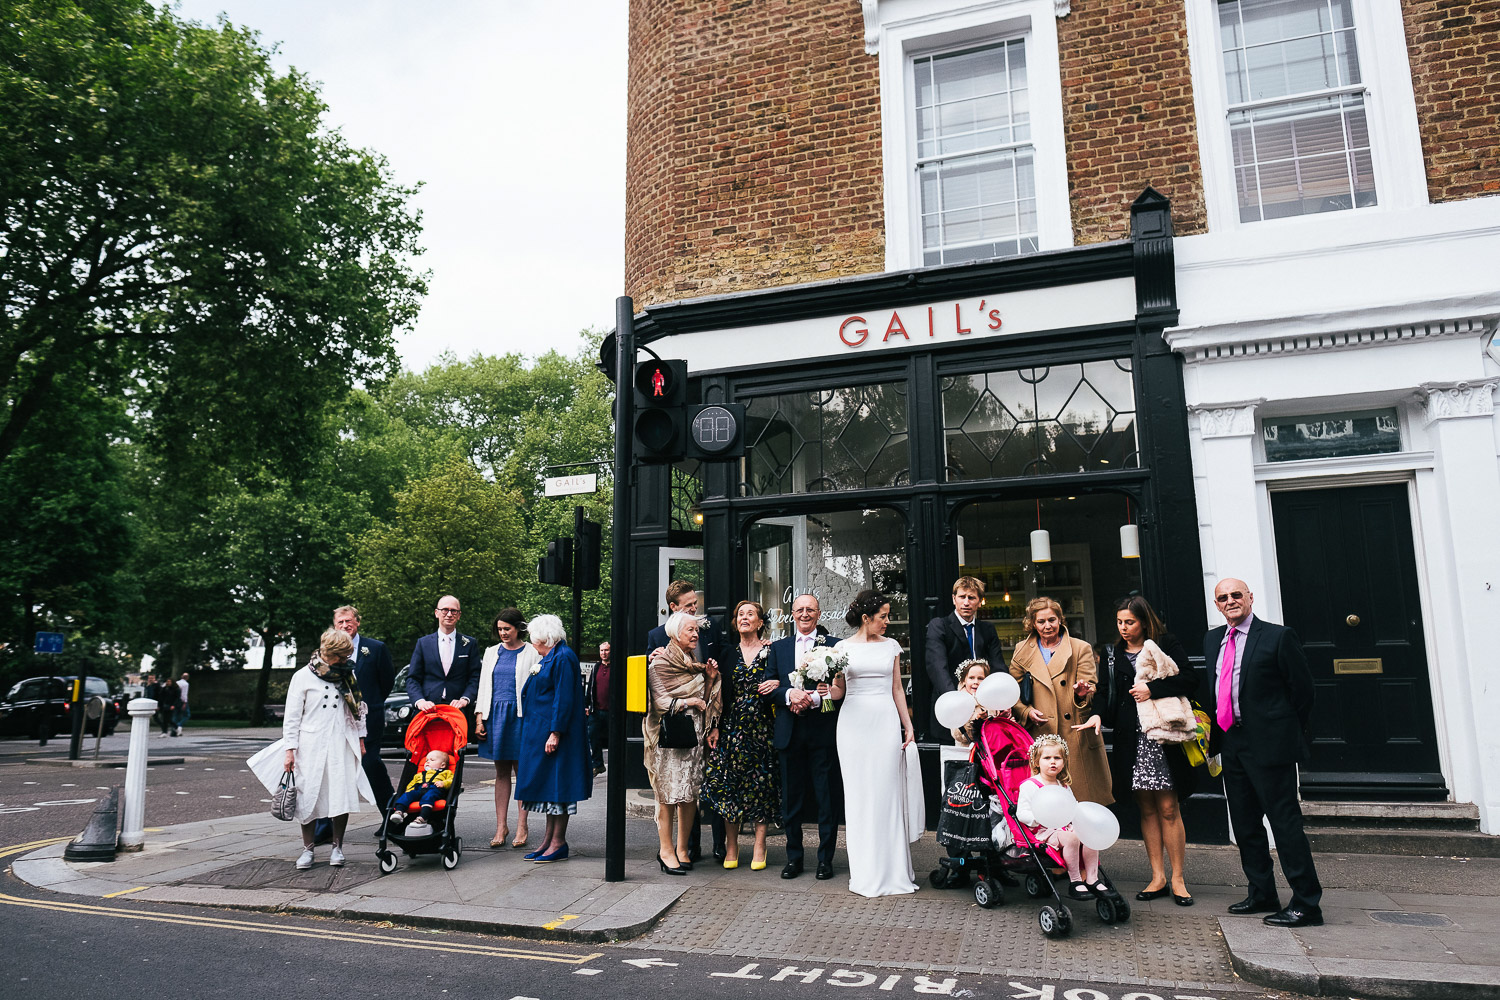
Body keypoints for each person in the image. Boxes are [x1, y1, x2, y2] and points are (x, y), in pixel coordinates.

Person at [1207, 578, 1323, 928]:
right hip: (1232, 742)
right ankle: (1262, 892)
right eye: (1223, 597)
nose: (1230, 601)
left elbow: (1303, 691)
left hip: (1270, 745)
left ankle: (1306, 903)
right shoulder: (1213, 639)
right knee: (1245, 824)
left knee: (1284, 824)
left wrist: (1282, 730)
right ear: (1217, 605)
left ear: (1250, 598)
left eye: (1236, 595)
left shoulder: (1277, 636)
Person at [1086, 595, 1199, 905]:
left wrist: (1153, 689)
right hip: (1130, 742)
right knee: (1146, 809)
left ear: (1144, 621)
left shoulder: (1166, 643)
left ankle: (1178, 878)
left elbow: (1190, 679)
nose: (1124, 628)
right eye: (1120, 622)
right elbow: (1107, 696)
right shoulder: (1112, 654)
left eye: (1130, 622)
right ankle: (1157, 876)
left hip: (1163, 739)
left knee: (1168, 808)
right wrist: (1094, 710)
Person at [247, 629, 374, 870]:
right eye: (343, 656)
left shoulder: (348, 674)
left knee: (341, 795)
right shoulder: (303, 677)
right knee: (308, 797)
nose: (347, 660)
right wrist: (289, 750)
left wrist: (360, 739)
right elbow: (292, 718)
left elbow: (357, 709)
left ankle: (338, 847)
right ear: (329, 654)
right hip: (310, 744)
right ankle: (308, 850)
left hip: (341, 742)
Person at [832, 589, 920, 898]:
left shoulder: (892, 646)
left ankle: (894, 871)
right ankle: (865, 872)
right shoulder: (841, 648)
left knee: (886, 793)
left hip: (884, 722)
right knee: (859, 797)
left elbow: (897, 688)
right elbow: (837, 693)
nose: (888, 621)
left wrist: (907, 727)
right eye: (883, 616)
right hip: (852, 724)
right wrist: (823, 683)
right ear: (866, 618)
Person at [646, 580, 726, 862]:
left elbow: (713, 678)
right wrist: (689, 701)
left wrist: (712, 679)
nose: (696, 611)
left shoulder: (707, 632)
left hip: (700, 730)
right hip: (671, 733)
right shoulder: (659, 646)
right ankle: (675, 849)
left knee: (693, 790)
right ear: (674, 611)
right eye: (689, 606)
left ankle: (694, 848)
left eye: (696, 603)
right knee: (669, 791)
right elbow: (659, 693)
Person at [1007, 597, 1113, 806]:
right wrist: (1026, 712)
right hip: (1040, 733)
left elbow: (1092, 689)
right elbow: (1011, 692)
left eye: (1052, 620)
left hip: (1074, 733)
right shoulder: (1021, 649)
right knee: (1045, 804)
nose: (1047, 626)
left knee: (1082, 801)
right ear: (1032, 624)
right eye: (1041, 621)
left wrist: (1081, 693)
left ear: (1060, 620)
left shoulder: (1079, 648)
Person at [701, 600, 782, 871]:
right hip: (731, 729)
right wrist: (714, 725)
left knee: (760, 786)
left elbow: (783, 681)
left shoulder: (773, 652)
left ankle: (760, 844)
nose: (744, 618)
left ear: (760, 623)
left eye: (751, 614)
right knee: (729, 786)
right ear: (735, 623)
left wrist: (779, 683)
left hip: (762, 728)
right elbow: (716, 693)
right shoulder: (726, 653)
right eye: (740, 615)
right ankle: (732, 845)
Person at [767, 593, 841, 880]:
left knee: (826, 798)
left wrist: (810, 697)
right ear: (792, 614)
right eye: (800, 610)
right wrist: (788, 694)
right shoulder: (779, 647)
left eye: (811, 609)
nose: (805, 614)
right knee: (791, 799)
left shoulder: (834, 646)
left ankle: (825, 860)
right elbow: (770, 686)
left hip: (822, 730)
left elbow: (840, 690)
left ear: (819, 613)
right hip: (790, 731)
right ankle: (794, 858)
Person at [312, 605, 399, 846]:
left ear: (357, 623)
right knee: (332, 769)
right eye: (340, 622)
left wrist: (368, 705)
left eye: (349, 621)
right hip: (334, 722)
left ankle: (391, 815)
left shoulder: (376, 648)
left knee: (371, 765)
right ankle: (324, 826)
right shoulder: (324, 653)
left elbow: (386, 682)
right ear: (334, 625)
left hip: (368, 719)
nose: (345, 625)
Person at [513, 614, 591, 863]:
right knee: (550, 791)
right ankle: (548, 840)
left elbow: (563, 698)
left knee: (559, 790)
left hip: (557, 737)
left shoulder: (564, 657)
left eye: (534, 639)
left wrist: (555, 733)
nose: (532, 644)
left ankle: (558, 842)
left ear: (545, 638)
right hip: (542, 734)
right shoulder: (552, 657)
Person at [475, 608, 538, 849]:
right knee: (501, 772)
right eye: (499, 629)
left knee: (522, 772)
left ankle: (522, 824)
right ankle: (501, 825)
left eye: (507, 629)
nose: (502, 633)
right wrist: (480, 718)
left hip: (521, 716)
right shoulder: (491, 652)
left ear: (518, 628)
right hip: (495, 716)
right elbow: (483, 687)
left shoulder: (532, 651)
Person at [1016, 734, 1103, 900]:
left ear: (1064, 762)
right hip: (1043, 830)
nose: (1053, 762)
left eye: (1057, 758)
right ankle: (1075, 881)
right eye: (1047, 758)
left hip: (1064, 826)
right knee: (1071, 839)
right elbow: (1022, 813)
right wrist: (1040, 817)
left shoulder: (1062, 785)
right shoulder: (1030, 786)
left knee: (1089, 834)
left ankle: (1092, 878)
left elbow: (1072, 807)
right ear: (1036, 762)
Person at [924, 576, 1004, 741]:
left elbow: (998, 665)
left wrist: (1001, 700)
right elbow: (937, 667)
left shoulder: (987, 629)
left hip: (985, 709)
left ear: (980, 601)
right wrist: (957, 703)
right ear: (954, 599)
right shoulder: (939, 626)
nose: (966, 602)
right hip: (951, 707)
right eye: (962, 597)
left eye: (971, 597)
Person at [406, 595, 479, 735]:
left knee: (455, 756)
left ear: (459, 615)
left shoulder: (470, 644)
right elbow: (412, 678)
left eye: (454, 611)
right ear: (436, 613)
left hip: (457, 711)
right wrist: (420, 701)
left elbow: (475, 676)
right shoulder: (423, 643)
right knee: (427, 756)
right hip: (427, 710)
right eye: (445, 610)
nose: (449, 614)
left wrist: (465, 699)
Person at [388, 749, 454, 827]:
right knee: (408, 795)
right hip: (419, 789)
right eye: (426, 760)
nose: (427, 762)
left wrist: (443, 783)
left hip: (435, 789)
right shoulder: (419, 775)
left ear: (442, 765)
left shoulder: (446, 772)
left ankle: (423, 818)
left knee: (429, 796)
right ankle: (399, 812)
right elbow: (412, 783)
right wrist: (409, 790)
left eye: (432, 760)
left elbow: (451, 780)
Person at [583, 641, 611, 776]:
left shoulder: (617, 667)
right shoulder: (596, 667)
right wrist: (586, 705)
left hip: (612, 712)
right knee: (593, 737)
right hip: (596, 710)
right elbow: (590, 688)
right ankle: (598, 765)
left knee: (613, 740)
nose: (604, 653)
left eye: (606, 650)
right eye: (601, 651)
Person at [155, 672, 180, 737]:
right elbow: (161, 697)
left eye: (169, 681)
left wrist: (174, 705)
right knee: (164, 719)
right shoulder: (165, 689)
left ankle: (175, 727)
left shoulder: (176, 689)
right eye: (167, 681)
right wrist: (159, 705)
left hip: (170, 705)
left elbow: (177, 698)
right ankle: (164, 731)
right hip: (164, 705)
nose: (168, 683)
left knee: (168, 719)